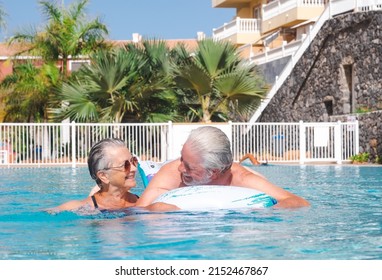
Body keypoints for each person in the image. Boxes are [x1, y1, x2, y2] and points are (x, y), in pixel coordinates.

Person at [136, 126, 310, 209]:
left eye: (188, 166)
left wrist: (264, 214)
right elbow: (138, 213)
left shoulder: (242, 179)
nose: (180, 168)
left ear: (213, 173)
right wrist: (157, 209)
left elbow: (298, 202)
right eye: (181, 158)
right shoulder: (171, 173)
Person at [51, 138, 140, 212]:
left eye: (133, 161)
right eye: (126, 165)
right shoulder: (82, 208)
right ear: (104, 176)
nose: (134, 168)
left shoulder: (144, 202)